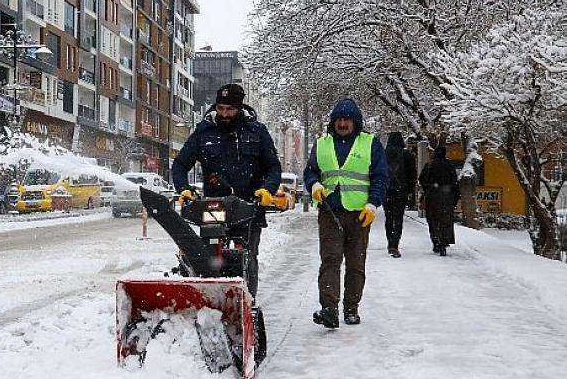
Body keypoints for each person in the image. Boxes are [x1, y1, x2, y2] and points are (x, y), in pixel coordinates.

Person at [172, 83, 282, 299]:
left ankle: (247, 301)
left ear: (239, 108)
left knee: (247, 256)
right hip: (214, 208)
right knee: (211, 255)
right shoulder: (204, 132)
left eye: (230, 109)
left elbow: (273, 167)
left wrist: (267, 190)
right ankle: (211, 298)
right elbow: (180, 165)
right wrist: (184, 189)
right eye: (220, 108)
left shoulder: (257, 132)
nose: (224, 114)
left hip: (248, 207)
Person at [303, 98, 388, 328]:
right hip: (330, 211)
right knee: (330, 260)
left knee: (355, 263)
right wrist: (314, 184)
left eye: (347, 120)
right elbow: (310, 172)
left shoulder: (370, 144)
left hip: (359, 214)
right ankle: (329, 308)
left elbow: (381, 177)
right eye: (339, 120)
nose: (342, 124)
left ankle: (351, 308)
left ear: (355, 122)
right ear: (333, 122)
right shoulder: (322, 144)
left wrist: (373, 204)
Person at [418, 146, 460, 257]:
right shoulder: (449, 165)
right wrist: (455, 199)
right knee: (445, 220)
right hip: (447, 196)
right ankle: (444, 241)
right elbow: (455, 183)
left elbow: (421, 179)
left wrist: (428, 188)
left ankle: (436, 241)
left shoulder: (429, 165)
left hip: (432, 196)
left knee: (433, 219)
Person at [383, 132, 417, 258]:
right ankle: (394, 244)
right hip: (401, 191)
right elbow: (412, 174)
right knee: (398, 218)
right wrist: (410, 190)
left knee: (389, 217)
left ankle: (389, 242)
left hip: (386, 191)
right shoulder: (407, 155)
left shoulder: (383, 154)